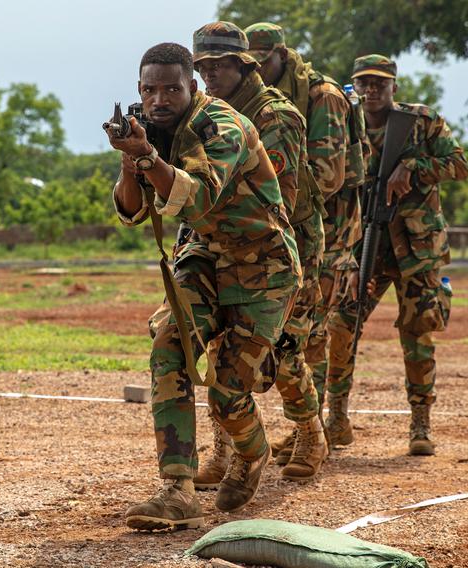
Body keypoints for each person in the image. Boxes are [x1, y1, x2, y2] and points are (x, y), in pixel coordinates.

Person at [106, 42, 301, 531]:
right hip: (205, 257)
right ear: (139, 91)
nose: (159, 99)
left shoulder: (222, 125)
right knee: (169, 341)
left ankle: (252, 453)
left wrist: (148, 157)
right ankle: (178, 488)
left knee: (228, 393)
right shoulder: (150, 131)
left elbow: (198, 198)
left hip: (264, 266)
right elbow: (131, 211)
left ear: (192, 87)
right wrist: (134, 161)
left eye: (172, 88)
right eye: (149, 89)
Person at [190, 22, 328, 485]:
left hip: (282, 247)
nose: (210, 75)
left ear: (243, 64)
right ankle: (225, 448)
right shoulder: (205, 114)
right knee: (218, 346)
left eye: (220, 65)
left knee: (284, 348)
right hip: (223, 244)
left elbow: (280, 203)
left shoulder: (276, 116)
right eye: (203, 67)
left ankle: (310, 432)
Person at [327, 54, 468, 455]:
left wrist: (412, 165)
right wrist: (348, 257)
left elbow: (458, 165)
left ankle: (420, 424)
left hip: (417, 250)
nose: (372, 91)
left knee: (417, 333)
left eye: (380, 83)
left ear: (394, 87)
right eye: (363, 84)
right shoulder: (345, 127)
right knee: (340, 326)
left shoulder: (421, 122)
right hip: (366, 246)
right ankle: (335, 415)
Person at [244, 22, 368, 458]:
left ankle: (321, 425)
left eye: (262, 63)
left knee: (317, 328)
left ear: (281, 55)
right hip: (290, 226)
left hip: (328, 232)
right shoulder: (259, 99)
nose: (256, 71)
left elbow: (329, 176)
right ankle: (311, 427)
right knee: (300, 330)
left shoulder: (324, 97)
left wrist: (263, 199)